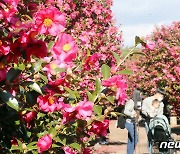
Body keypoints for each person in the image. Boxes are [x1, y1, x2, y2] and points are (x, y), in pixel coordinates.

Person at [142, 88, 166, 154]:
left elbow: (161, 113)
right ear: (158, 94)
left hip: (157, 122)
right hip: (148, 121)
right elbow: (143, 110)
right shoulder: (147, 100)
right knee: (150, 138)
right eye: (162, 95)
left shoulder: (161, 104)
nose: (162, 97)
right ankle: (150, 152)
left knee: (157, 137)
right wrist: (148, 114)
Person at [123, 89, 142, 154]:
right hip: (129, 122)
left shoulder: (138, 102)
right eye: (140, 94)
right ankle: (130, 152)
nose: (141, 96)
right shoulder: (131, 102)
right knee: (135, 139)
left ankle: (129, 152)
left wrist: (138, 116)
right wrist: (132, 114)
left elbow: (138, 110)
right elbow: (126, 111)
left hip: (134, 123)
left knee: (131, 139)